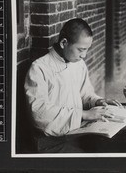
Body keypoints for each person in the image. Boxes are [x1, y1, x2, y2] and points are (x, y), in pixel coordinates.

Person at [24, 18, 121, 152]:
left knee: (112, 147)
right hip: (50, 141)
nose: (84, 55)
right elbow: (39, 113)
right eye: (81, 50)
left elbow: (85, 94)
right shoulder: (39, 68)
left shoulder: (78, 64)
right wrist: (84, 114)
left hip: (77, 131)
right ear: (64, 43)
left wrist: (98, 101)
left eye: (87, 50)